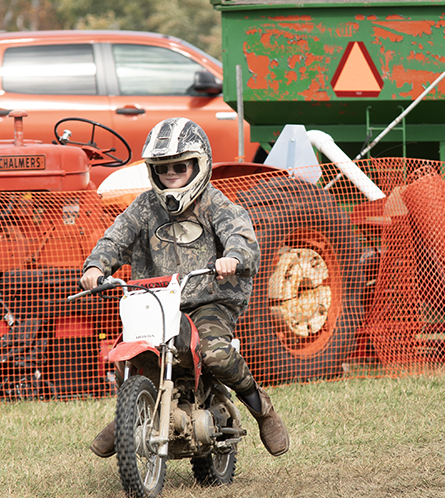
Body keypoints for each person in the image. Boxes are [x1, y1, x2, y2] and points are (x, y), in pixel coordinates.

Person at [80, 118, 290, 458]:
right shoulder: (144, 207)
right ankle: (130, 413)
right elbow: (115, 239)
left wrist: (233, 257)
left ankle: (261, 408)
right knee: (129, 355)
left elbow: (241, 237)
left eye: (180, 166)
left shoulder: (216, 204)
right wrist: (95, 266)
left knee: (215, 354)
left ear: (199, 164)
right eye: (163, 168)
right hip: (156, 300)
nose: (171, 174)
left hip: (209, 299)